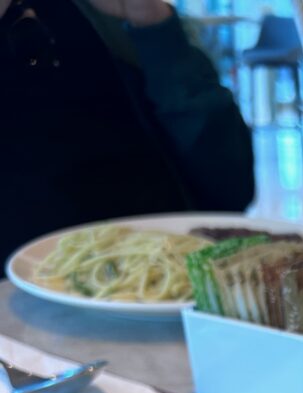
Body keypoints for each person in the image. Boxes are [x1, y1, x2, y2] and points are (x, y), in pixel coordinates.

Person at [0, 0, 255, 269]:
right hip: (23, 283)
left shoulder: (111, 21)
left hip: (172, 269)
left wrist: (152, 20)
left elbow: (232, 188)